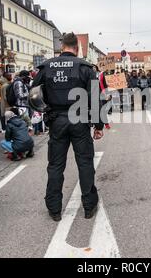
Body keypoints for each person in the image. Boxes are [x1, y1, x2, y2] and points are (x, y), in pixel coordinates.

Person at [32, 33, 104, 222]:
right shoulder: (85, 67)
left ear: (62, 46)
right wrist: (98, 125)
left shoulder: (46, 67)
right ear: (77, 47)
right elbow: (95, 98)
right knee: (85, 163)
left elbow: (33, 95)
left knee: (55, 165)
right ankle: (89, 206)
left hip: (57, 120)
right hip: (79, 119)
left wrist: (46, 111)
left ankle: (54, 209)